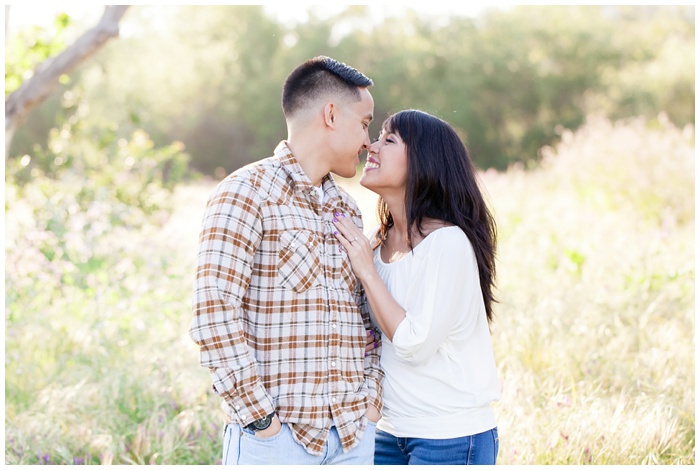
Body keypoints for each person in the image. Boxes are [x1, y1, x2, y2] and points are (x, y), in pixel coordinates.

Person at [188, 56, 383, 465]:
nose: (368, 142)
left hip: (352, 439)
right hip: (277, 444)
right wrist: (261, 422)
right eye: (364, 123)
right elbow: (214, 312)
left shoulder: (348, 209)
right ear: (330, 114)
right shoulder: (245, 192)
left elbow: (365, 319)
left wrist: (371, 401)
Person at [332, 109, 501, 465]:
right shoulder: (376, 244)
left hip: (450, 437)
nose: (370, 145)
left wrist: (366, 271)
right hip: (389, 431)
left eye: (388, 139)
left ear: (424, 161)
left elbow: (414, 343)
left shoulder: (448, 243)